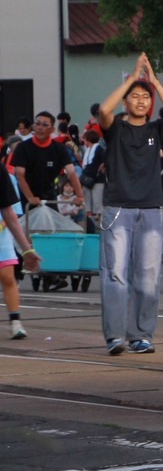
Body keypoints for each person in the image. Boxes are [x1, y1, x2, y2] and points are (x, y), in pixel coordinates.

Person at [98, 55, 163, 355]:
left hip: (150, 209)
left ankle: (141, 336)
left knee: (147, 275)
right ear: (125, 101)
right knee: (116, 274)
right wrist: (133, 78)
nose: (140, 101)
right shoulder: (115, 128)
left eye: (145, 97)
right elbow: (104, 110)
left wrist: (155, 82)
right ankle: (115, 336)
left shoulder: (156, 130)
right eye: (134, 96)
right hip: (117, 209)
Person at [7, 112, 84, 214]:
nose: (40, 128)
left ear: (52, 129)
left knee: (52, 221)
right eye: (37, 124)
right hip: (27, 196)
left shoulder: (60, 149)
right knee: (30, 222)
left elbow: (72, 173)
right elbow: (19, 175)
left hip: (50, 194)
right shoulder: (22, 147)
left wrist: (79, 196)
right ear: (33, 126)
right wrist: (30, 197)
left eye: (45, 125)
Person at [1, 158, 43, 338]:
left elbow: (10, 212)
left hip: (1, 235)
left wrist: (27, 249)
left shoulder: (3, 173)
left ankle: (15, 322)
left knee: (7, 276)